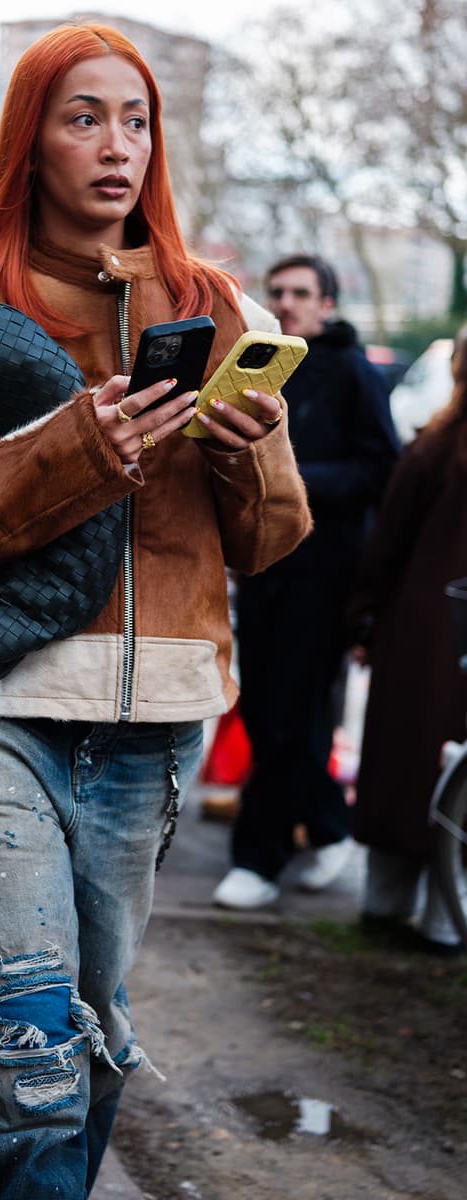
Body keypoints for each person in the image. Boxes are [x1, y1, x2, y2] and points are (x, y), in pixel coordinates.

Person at [0, 23, 311, 1199]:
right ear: (28, 141)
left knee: (87, 1033)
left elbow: (267, 542)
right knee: (23, 1044)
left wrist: (251, 451)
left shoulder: (215, 307)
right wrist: (73, 448)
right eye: (83, 116)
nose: (116, 145)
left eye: (135, 119)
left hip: (147, 730)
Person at [213, 253, 400, 910]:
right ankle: (327, 825)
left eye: (300, 293)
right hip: (264, 569)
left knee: (291, 714)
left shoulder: (353, 372)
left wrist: (294, 481)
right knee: (268, 711)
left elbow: (382, 470)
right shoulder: (259, 362)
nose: (286, 303)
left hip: (325, 577)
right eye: (277, 292)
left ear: (327, 303)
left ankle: (259, 860)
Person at [348, 327, 467, 954]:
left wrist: (365, 617)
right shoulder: (434, 449)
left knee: (407, 761)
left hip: (422, 632)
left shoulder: (433, 448)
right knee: (454, 776)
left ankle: (384, 904)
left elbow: (387, 544)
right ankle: (447, 920)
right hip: (435, 632)